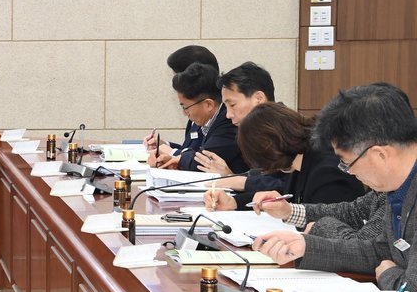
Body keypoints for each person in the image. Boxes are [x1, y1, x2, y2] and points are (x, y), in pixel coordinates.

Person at [253, 83, 417, 291]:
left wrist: (388, 275)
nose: (349, 172)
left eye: (347, 163)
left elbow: (411, 289)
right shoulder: (395, 186)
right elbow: (379, 251)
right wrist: (304, 246)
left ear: (380, 155)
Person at [202, 103, 363, 212]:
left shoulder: (326, 171)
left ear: (267, 149)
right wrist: (234, 202)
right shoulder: (300, 160)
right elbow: (282, 196)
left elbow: (320, 224)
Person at [197, 62, 287, 205]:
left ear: (258, 99)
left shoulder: (286, 131)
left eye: (232, 105)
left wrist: (240, 181)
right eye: (226, 107)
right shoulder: (257, 133)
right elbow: (263, 188)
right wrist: (230, 177)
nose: (228, 115)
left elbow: (287, 188)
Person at [145, 62, 245, 172]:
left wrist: (175, 156)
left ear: (208, 105)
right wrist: (173, 158)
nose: (184, 113)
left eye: (185, 107)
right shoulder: (208, 119)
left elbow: (202, 161)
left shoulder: (229, 122)